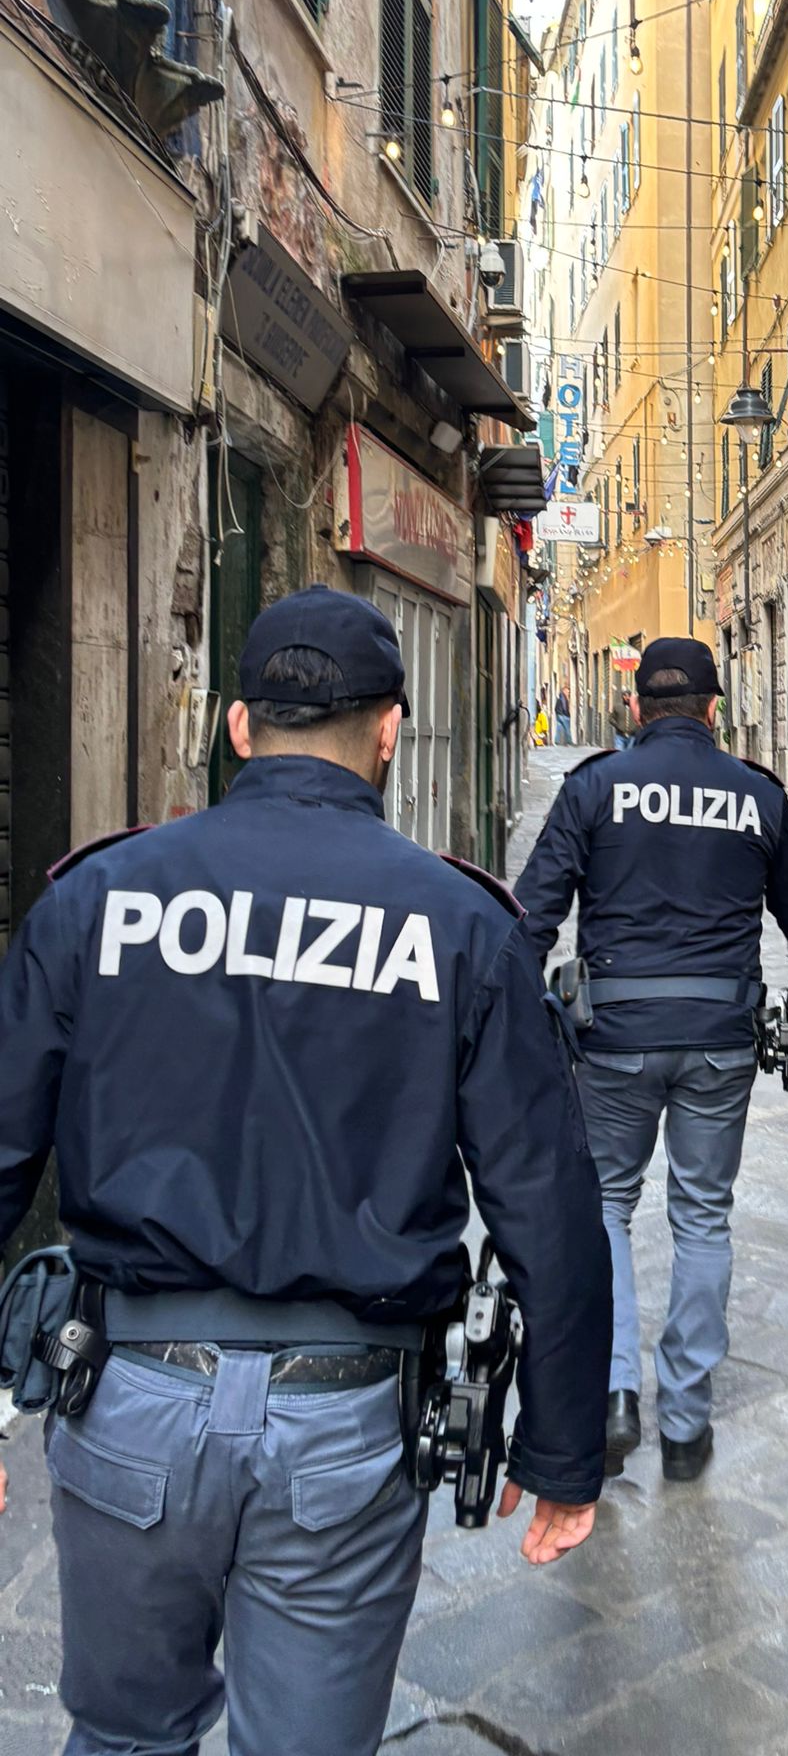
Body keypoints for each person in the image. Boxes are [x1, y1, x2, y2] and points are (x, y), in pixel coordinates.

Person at [0, 585, 612, 1756]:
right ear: (390, 731)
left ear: (239, 727)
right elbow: (548, 1201)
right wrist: (562, 1446)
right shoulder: (460, 924)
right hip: (342, 1423)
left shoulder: (97, 897)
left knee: (122, 1739)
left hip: (128, 1396)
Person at [516, 638, 788, 1483]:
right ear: (713, 710)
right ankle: (686, 1421)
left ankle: (615, 1391)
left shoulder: (591, 789)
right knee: (702, 1214)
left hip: (612, 1038)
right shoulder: (756, 794)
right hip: (722, 1040)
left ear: (634, 711)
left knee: (606, 1207)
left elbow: (531, 915)